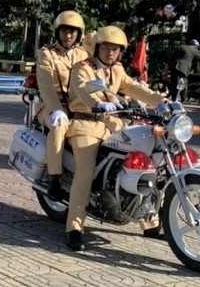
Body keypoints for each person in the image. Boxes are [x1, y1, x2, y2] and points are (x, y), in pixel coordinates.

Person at [64, 26, 168, 251]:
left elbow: (133, 87)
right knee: (86, 172)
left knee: (143, 161)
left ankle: (150, 223)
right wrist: (97, 104)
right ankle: (74, 228)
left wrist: (160, 101)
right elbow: (82, 89)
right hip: (85, 124)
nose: (110, 52)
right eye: (107, 48)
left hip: (113, 124)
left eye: (115, 49)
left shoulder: (118, 70)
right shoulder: (82, 68)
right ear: (98, 48)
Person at [36, 10, 89, 201]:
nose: (68, 36)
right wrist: (56, 108)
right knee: (59, 126)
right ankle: (54, 179)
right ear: (57, 32)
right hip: (50, 107)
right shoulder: (47, 54)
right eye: (64, 31)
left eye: (73, 32)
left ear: (79, 34)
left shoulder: (84, 54)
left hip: (77, 107)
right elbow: (45, 85)